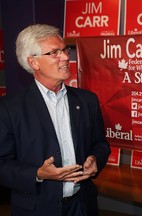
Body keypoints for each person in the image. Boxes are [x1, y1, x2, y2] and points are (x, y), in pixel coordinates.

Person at [0, 24, 111, 216]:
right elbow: (2, 165)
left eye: (65, 50)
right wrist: (38, 174)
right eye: (54, 52)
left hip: (83, 206)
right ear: (33, 62)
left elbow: (100, 144)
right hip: (38, 209)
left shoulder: (87, 101)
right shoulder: (10, 108)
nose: (66, 57)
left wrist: (95, 160)